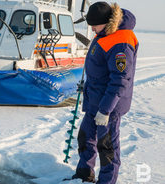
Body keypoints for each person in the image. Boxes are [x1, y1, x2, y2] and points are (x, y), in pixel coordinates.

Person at [71, 2, 138, 183]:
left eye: (94, 24)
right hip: (95, 100)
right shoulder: (104, 33)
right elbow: (100, 70)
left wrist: (106, 110)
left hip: (109, 106)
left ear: (106, 22)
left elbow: (120, 80)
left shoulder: (121, 42)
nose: (92, 28)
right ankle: (84, 174)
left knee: (107, 146)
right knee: (85, 137)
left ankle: (107, 180)